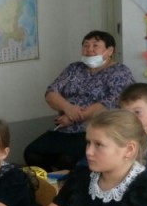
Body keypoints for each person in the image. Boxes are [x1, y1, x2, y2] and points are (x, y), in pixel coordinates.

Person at [24, 30, 134, 172]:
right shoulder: (74, 68)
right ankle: (51, 183)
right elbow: (51, 93)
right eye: (86, 45)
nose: (89, 49)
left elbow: (112, 102)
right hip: (64, 128)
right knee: (32, 153)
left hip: (97, 130)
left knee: (67, 159)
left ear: (110, 51)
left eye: (95, 46)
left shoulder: (120, 72)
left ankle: (69, 184)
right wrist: (68, 108)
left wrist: (74, 117)